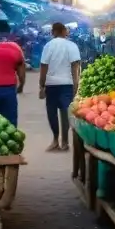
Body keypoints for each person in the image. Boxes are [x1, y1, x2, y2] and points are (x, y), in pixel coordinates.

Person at [39, 23, 81, 151]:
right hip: (67, 84)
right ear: (63, 31)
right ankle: (65, 141)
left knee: (51, 113)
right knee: (65, 112)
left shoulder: (48, 46)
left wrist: (41, 85)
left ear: (53, 32)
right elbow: (75, 66)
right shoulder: (72, 46)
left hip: (51, 84)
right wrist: (76, 84)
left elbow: (43, 66)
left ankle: (55, 140)